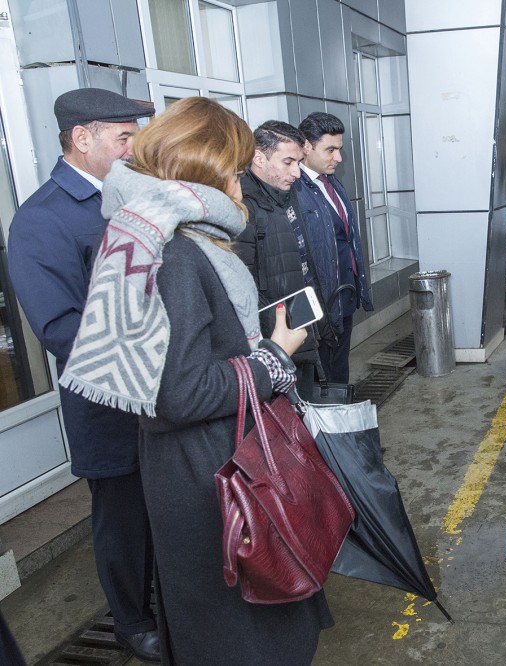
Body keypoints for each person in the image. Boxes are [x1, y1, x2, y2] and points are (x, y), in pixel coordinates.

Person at [58, 96, 332, 664]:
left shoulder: (170, 231)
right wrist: (273, 359)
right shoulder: (177, 250)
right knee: (239, 634)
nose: (240, 183)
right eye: (234, 169)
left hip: (202, 466)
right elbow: (181, 393)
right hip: (211, 477)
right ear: (209, 170)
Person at [7, 88, 160, 662]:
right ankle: (131, 619)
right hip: (109, 404)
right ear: (82, 138)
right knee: (122, 518)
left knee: (158, 508)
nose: (133, 147)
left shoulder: (130, 197)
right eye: (124, 137)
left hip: (158, 394)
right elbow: (60, 328)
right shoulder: (42, 219)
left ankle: (160, 600)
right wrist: (154, 354)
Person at [234, 121, 319, 394]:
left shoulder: (285, 194)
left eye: (299, 162)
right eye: (288, 162)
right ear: (258, 157)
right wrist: (273, 338)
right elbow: (242, 286)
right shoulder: (245, 207)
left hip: (300, 327)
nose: (296, 172)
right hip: (273, 340)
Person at [293, 112, 372, 383]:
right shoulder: (295, 190)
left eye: (339, 150)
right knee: (322, 380)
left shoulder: (332, 183)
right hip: (320, 306)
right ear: (306, 147)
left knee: (339, 372)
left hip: (343, 296)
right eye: (330, 150)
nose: (337, 158)